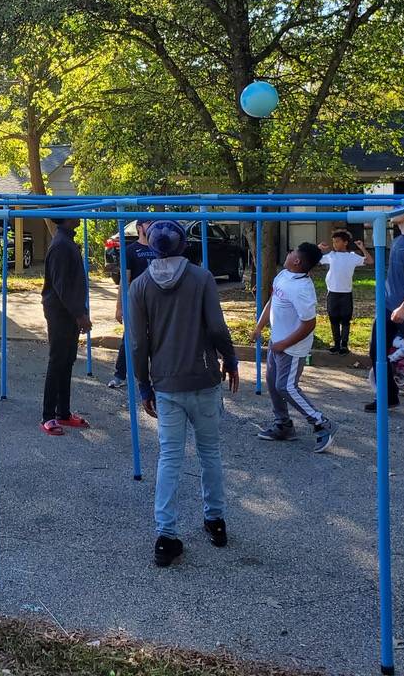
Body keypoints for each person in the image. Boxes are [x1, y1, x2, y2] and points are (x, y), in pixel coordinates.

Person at [129, 220, 239, 567]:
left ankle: (165, 535)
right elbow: (217, 327)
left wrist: (143, 383)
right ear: (183, 245)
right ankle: (215, 520)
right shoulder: (201, 277)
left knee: (170, 458)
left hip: (166, 383)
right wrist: (231, 359)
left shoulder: (140, 285)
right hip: (204, 377)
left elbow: (137, 342)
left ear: (152, 247)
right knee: (210, 452)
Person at [253, 242, 337, 453]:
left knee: (286, 387)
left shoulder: (302, 289)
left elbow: (309, 324)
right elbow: (272, 301)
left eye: (292, 252)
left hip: (292, 348)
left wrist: (284, 344)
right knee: (273, 384)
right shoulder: (284, 276)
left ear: (297, 261)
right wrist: (259, 327)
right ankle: (283, 425)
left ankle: (321, 422)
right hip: (277, 342)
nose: (288, 253)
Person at [365, 210, 404, 423]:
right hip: (387, 306)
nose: (391, 212)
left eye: (398, 209)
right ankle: (389, 397)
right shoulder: (397, 240)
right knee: (376, 352)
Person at [40, 218, 93, 435]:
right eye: (75, 213)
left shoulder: (66, 241)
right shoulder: (61, 245)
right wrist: (79, 315)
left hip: (69, 311)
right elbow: (62, 286)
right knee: (57, 361)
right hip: (60, 312)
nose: (80, 216)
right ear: (67, 219)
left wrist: (80, 312)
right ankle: (48, 416)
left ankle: (63, 412)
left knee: (67, 360)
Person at [109, 219, 157, 389]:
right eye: (148, 223)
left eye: (153, 223)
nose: (151, 226)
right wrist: (119, 307)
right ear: (139, 228)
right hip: (136, 303)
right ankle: (119, 375)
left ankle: (156, 377)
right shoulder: (130, 251)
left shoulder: (158, 248)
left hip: (157, 304)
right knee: (130, 339)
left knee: (157, 339)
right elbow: (125, 280)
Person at [317, 229, 373, 354]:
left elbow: (369, 261)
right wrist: (318, 248)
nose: (335, 244)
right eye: (333, 242)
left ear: (345, 242)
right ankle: (336, 344)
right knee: (334, 319)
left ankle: (344, 344)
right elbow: (315, 259)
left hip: (346, 293)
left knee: (345, 319)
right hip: (332, 293)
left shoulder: (352, 257)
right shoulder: (331, 255)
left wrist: (362, 248)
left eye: (337, 241)